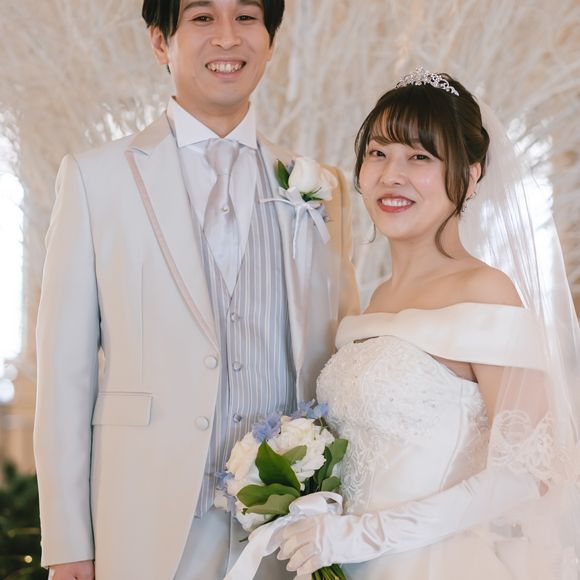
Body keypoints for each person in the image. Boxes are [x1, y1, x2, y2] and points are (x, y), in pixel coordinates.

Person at [33, 1, 359, 578]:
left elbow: (337, 361)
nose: (227, 38)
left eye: (247, 17)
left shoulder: (319, 187)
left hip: (285, 531)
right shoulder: (95, 178)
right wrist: (67, 543)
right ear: (161, 41)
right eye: (203, 18)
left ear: (270, 40)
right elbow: (65, 374)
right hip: (146, 521)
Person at [277, 67, 580, 579]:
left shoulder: (487, 291)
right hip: (346, 563)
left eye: (419, 157)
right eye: (378, 153)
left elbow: (531, 471)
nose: (391, 175)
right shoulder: (375, 299)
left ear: (470, 174)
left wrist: (366, 535)